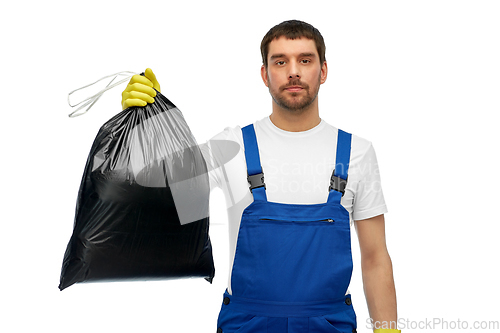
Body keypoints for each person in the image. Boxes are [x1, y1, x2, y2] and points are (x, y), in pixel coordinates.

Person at [122, 20, 399, 333]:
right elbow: (151, 187)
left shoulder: (357, 152)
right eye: (280, 61)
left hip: (330, 324)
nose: (293, 71)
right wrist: (141, 123)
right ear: (265, 74)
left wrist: (387, 329)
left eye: (305, 60)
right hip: (246, 324)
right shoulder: (231, 145)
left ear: (323, 71)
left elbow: (375, 257)